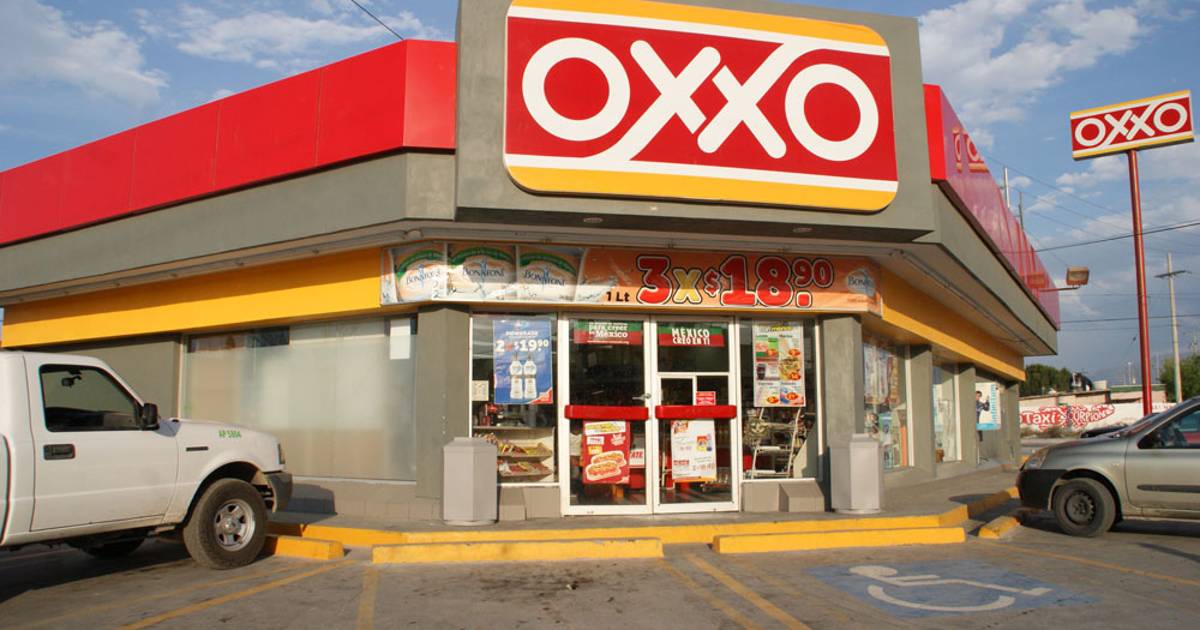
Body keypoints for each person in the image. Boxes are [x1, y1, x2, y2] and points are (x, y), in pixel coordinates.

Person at [975, 390, 989, 462]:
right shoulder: (970, 403)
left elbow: (987, 409)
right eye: (976, 395)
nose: (977, 397)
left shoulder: (980, 404)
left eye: (978, 396)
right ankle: (974, 456)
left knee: (980, 440)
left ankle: (983, 456)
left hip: (978, 425)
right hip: (970, 425)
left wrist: (987, 401)